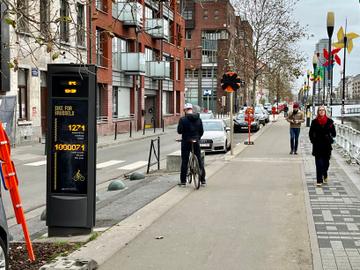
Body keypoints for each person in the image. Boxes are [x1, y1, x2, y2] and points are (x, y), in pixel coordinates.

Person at [177, 103, 206, 186]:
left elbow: (179, 131)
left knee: (185, 161)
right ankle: (203, 180)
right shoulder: (198, 119)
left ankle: (183, 182)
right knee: (199, 160)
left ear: (186, 110)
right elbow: (201, 131)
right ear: (191, 110)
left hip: (186, 141)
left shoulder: (183, 119)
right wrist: (197, 137)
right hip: (196, 141)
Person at [309, 105, 336, 187]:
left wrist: (330, 135)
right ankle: (319, 180)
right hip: (317, 145)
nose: (321, 111)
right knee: (319, 164)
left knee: (326, 163)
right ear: (318, 112)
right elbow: (310, 133)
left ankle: (325, 173)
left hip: (327, 146)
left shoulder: (330, 122)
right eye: (320, 110)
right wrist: (313, 141)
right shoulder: (314, 122)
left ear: (325, 112)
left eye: (323, 110)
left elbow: (334, 134)